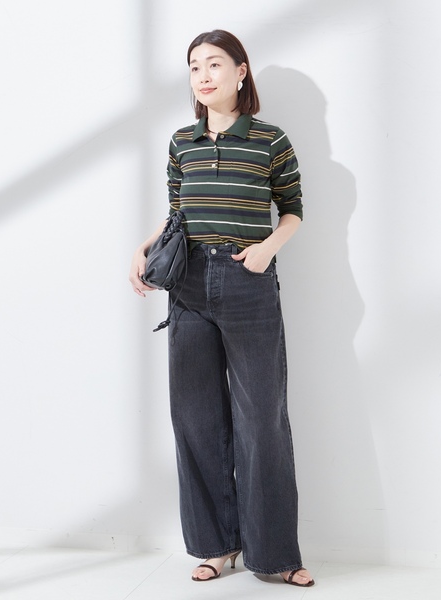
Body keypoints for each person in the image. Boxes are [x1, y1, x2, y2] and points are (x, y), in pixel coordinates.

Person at [129, 29, 314, 588]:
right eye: (194, 67)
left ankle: (276, 554)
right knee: (196, 419)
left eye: (214, 64)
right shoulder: (181, 142)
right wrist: (144, 248)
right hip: (187, 284)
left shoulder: (269, 140)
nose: (203, 76)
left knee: (263, 420)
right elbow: (177, 213)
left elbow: (294, 209)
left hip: (247, 282)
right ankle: (216, 545)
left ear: (241, 70)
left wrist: (265, 250)